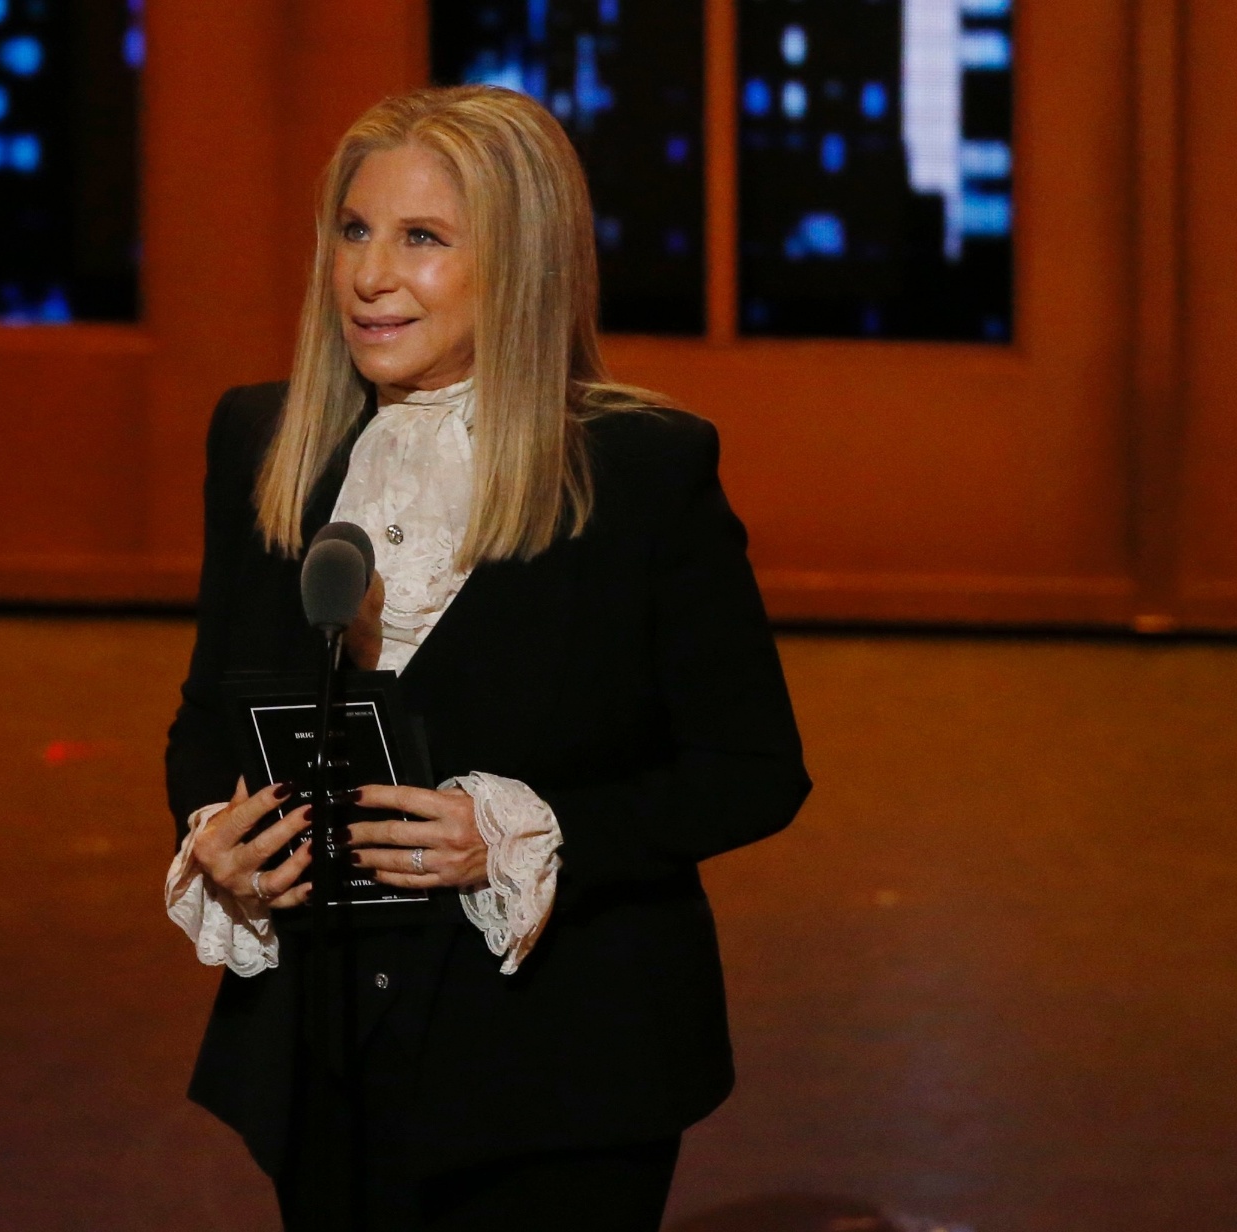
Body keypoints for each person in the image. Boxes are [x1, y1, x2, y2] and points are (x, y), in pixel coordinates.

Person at [163, 85, 810, 1231]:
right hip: (323, 1057)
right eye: (354, 230)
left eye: (422, 238)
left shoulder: (642, 471)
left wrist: (523, 830)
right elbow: (207, 717)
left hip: (559, 1068)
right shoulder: (262, 439)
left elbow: (751, 769)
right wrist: (218, 835)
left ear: (521, 263)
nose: (370, 275)